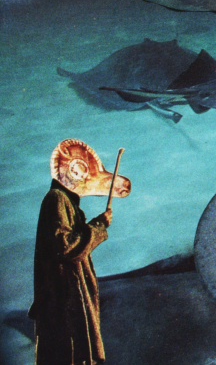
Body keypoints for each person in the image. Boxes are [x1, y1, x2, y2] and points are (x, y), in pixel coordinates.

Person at [29, 140, 115, 365]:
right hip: (62, 301)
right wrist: (98, 226)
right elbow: (67, 247)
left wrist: (96, 226)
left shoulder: (64, 200)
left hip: (64, 300)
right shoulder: (57, 198)